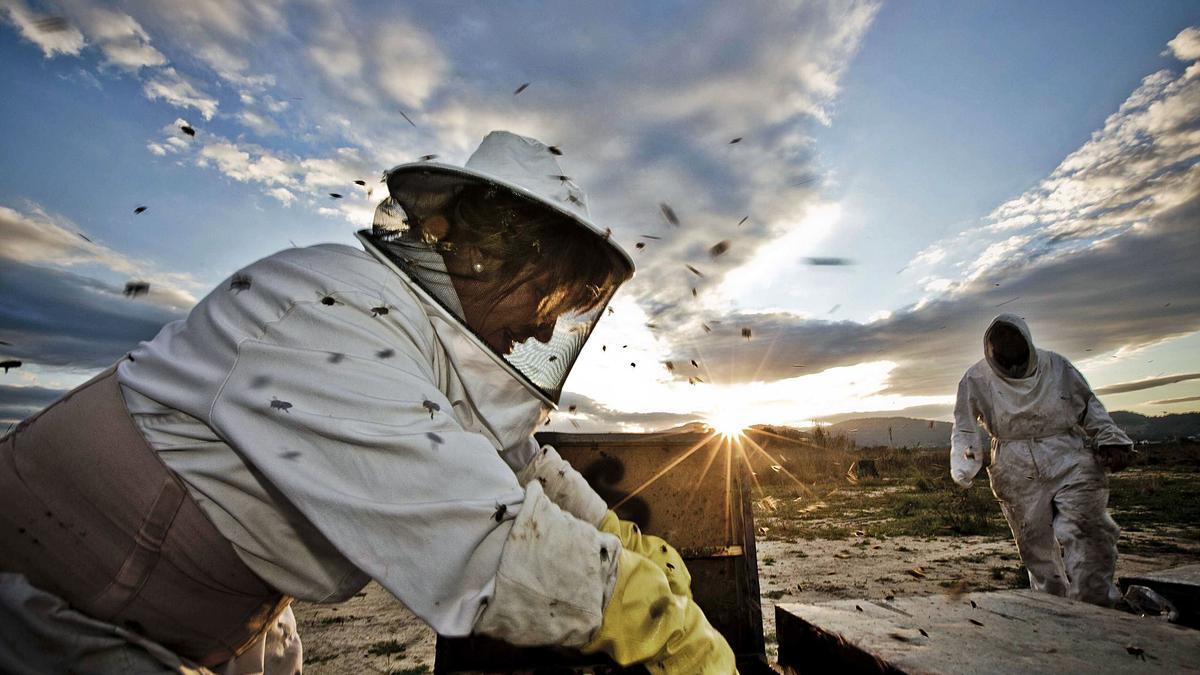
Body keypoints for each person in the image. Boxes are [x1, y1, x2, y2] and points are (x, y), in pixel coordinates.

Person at [0, 131, 736, 674]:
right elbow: (486, 543)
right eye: (545, 292)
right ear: (474, 250)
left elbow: (520, 468)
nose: (546, 324)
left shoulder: (425, 348)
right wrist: (665, 623)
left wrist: (617, 533)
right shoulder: (329, 311)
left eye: (567, 305)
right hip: (56, 611)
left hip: (206, 626)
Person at [950, 314, 1133, 607]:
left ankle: (1096, 602)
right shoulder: (976, 378)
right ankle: (1053, 607)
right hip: (1014, 464)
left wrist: (1110, 437)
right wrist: (964, 465)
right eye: (1001, 345)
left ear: (1026, 341)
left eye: (1013, 342)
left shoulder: (1056, 366)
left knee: (1088, 529)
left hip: (1068, 455)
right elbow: (964, 425)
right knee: (1035, 544)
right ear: (990, 349)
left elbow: (1088, 404)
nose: (1008, 350)